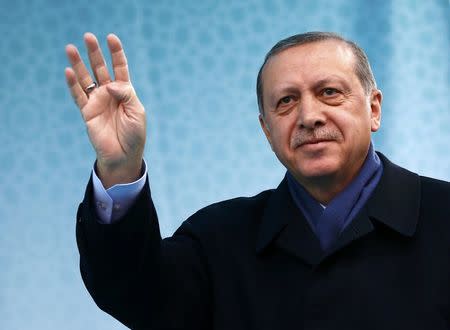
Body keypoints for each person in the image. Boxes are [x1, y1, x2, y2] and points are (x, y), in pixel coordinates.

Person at [66, 32, 450, 330]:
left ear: (374, 109)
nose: (309, 116)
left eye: (329, 92)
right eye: (285, 101)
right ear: (267, 131)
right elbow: (135, 294)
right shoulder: (217, 239)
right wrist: (119, 168)